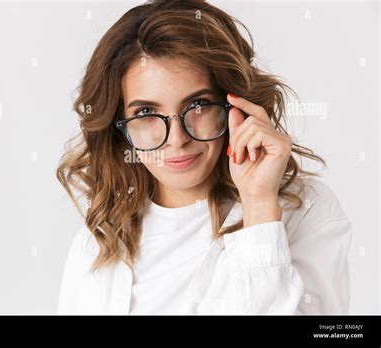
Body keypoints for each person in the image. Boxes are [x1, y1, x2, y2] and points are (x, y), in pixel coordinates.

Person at [55, 0, 353, 315]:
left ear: (235, 105)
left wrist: (259, 207)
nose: (177, 139)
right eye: (146, 112)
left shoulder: (307, 211)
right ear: (119, 125)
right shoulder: (97, 242)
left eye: (198, 105)